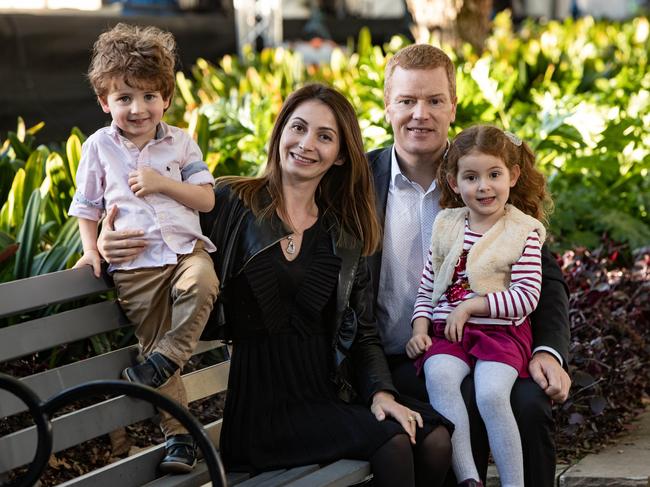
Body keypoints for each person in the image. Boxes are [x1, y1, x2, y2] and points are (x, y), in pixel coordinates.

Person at [97, 83, 455, 486]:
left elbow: (363, 332)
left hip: (327, 396)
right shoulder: (230, 202)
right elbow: (163, 240)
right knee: (394, 443)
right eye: (298, 128)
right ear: (281, 131)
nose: (306, 144)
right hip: (262, 410)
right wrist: (103, 244)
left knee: (435, 437)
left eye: (324, 136)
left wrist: (381, 394)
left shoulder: (344, 231)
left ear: (339, 156)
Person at [366, 44, 571, 487]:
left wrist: (548, 351)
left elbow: (546, 279)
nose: (420, 113)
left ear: (452, 107)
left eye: (434, 100)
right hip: (396, 357)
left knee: (529, 404)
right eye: (407, 101)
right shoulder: (359, 184)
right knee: (447, 394)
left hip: (493, 341)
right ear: (387, 107)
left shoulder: (481, 174)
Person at [69, 23, 219, 473]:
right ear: (104, 102)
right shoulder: (99, 147)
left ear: (167, 98)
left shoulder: (181, 142)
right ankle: (180, 441)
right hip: (135, 267)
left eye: (150, 96)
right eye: (124, 98)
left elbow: (207, 198)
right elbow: (86, 205)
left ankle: (164, 359)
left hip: (184, 252)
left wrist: (162, 183)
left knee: (204, 282)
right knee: (152, 343)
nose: (138, 109)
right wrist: (91, 249)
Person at [407, 125, 551, 487]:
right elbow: (429, 285)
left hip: (500, 334)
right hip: (448, 334)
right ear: (454, 183)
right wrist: (420, 328)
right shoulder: (446, 225)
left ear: (513, 176)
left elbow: (527, 295)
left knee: (490, 394)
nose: (483, 186)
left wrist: (472, 307)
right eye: (471, 177)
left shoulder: (522, 232)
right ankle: (469, 478)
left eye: (494, 174)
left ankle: (513, 482)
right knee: (438, 376)